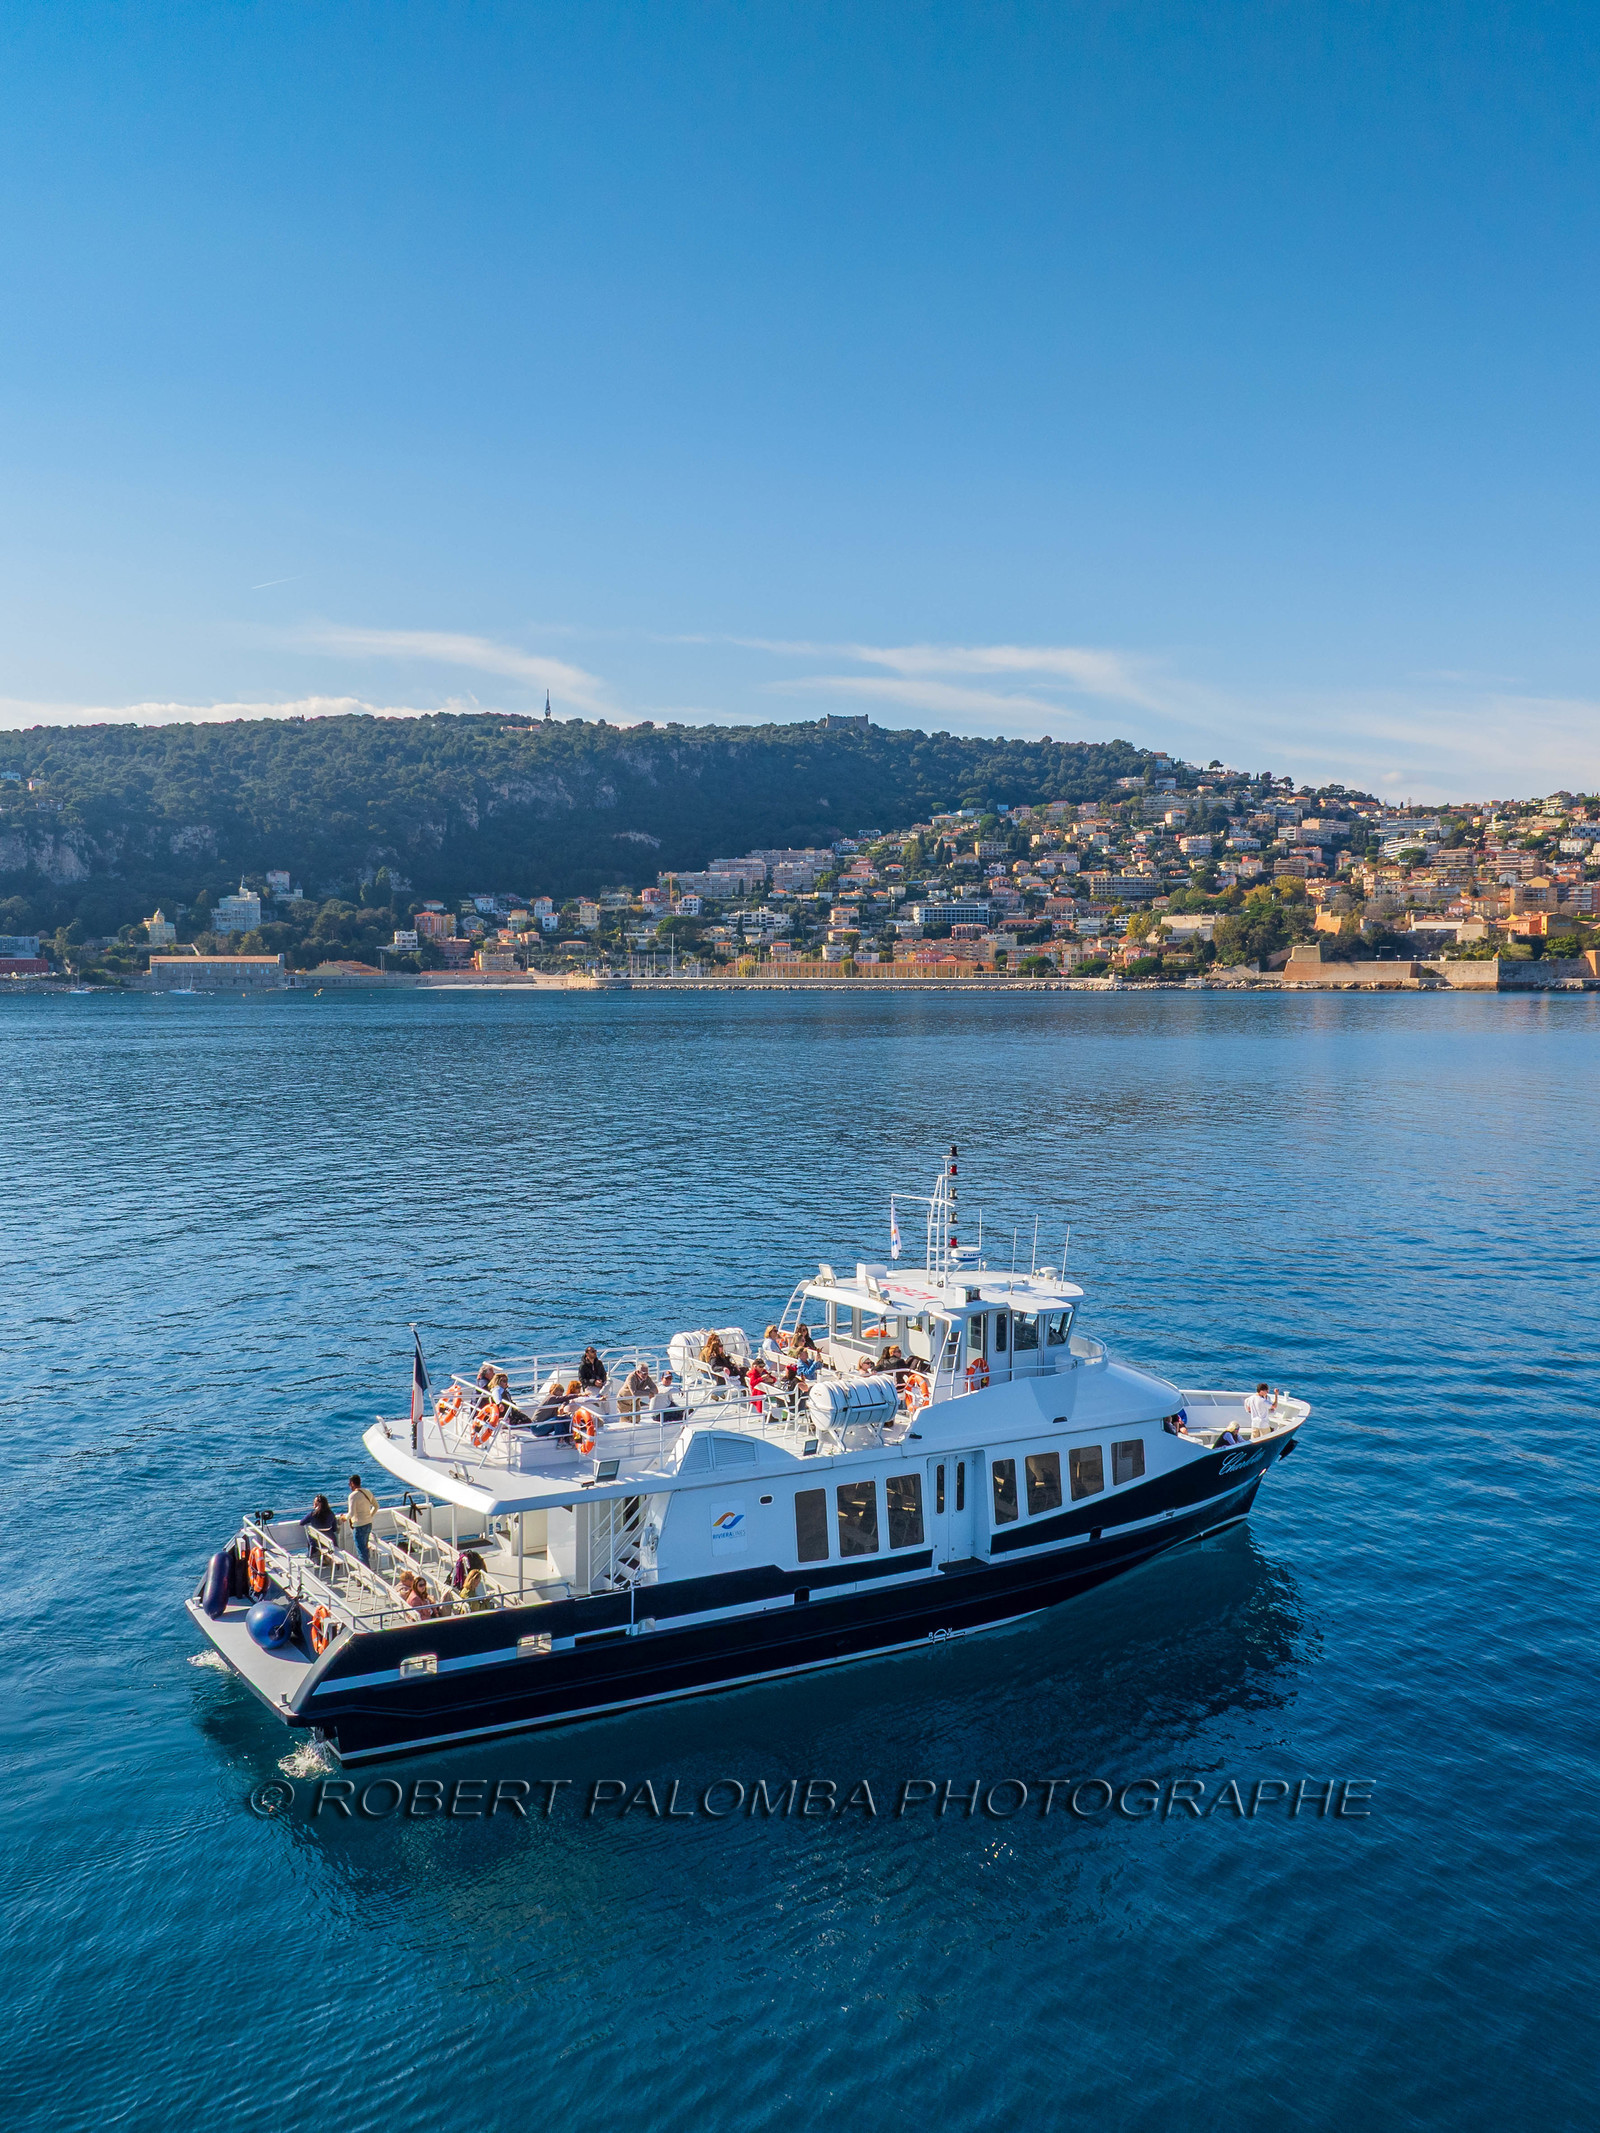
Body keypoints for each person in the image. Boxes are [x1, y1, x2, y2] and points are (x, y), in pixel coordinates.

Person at [346, 1474, 378, 1565]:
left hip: (359, 1526)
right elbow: (376, 1506)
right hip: (368, 1524)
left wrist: (343, 1518)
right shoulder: (367, 1492)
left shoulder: (353, 1496)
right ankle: (367, 1570)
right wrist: (369, 1516)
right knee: (365, 1549)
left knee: (361, 1552)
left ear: (352, 1483)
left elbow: (351, 1514)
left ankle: (367, 1573)